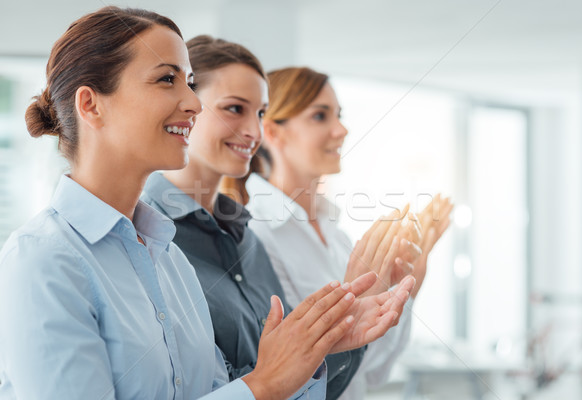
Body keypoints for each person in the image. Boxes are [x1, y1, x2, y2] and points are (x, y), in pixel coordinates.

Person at [0, 9, 412, 400]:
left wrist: (311, 352)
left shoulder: (170, 259)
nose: (193, 103)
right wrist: (264, 383)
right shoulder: (41, 260)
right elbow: (252, 389)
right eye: (167, 80)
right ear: (91, 104)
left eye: (191, 82)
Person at [142, 35, 417, 399]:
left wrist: (339, 333)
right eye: (234, 109)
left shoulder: (247, 239)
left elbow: (300, 378)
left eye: (259, 113)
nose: (255, 132)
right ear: (188, 106)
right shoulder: (149, 234)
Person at [227, 67, 453, 399]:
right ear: (273, 132)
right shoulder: (256, 233)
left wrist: (405, 288)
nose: (341, 129)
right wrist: (360, 296)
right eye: (320, 116)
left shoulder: (338, 235)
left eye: (339, 115)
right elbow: (294, 377)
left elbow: (374, 373)